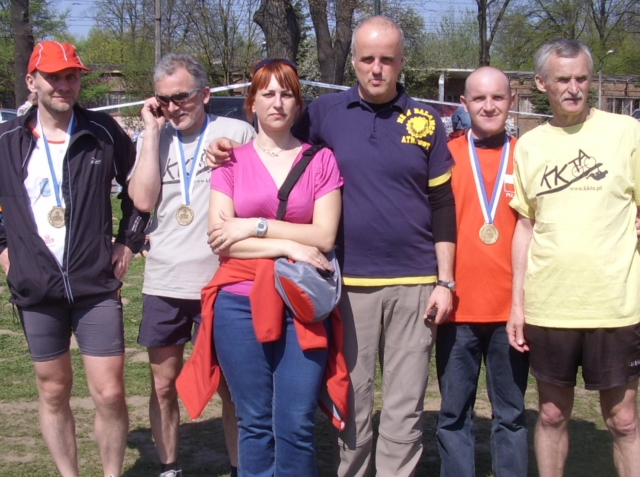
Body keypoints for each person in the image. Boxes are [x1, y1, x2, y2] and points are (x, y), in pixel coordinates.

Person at [207, 15, 456, 477]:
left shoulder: (426, 120)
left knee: (404, 407)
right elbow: (274, 130)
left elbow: (442, 203)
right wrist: (226, 143)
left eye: (387, 59)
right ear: (354, 62)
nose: (377, 68)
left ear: (401, 62)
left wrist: (446, 280)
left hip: (416, 281)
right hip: (348, 284)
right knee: (351, 401)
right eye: (367, 58)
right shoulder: (324, 113)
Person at [0, 41, 149, 477]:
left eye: (71, 76)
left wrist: (128, 241)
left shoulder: (103, 131)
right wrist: (5, 250)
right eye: (53, 77)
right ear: (32, 82)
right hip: (36, 286)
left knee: (110, 393)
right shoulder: (7, 140)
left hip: (94, 284)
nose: (64, 85)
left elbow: (142, 189)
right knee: (53, 391)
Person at [507, 38, 640, 477]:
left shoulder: (627, 132)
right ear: (541, 83)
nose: (574, 88)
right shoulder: (529, 145)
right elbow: (524, 227)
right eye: (563, 79)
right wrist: (517, 305)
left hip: (615, 305)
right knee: (551, 414)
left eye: (582, 78)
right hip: (551, 305)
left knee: (624, 421)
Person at [206, 58, 343, 476]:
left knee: (296, 422)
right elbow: (221, 240)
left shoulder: (320, 160)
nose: (277, 102)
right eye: (267, 93)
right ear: (252, 103)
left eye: (287, 94)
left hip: (301, 303)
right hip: (238, 305)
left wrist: (254, 226)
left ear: (298, 105)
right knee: (254, 422)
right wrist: (288, 245)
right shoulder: (230, 162)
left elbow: (324, 236)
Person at [127, 53, 255, 477]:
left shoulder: (236, 132)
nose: (173, 107)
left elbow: (258, 191)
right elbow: (142, 200)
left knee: (230, 386)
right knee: (164, 384)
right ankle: (169, 468)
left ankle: (239, 467)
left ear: (204, 94)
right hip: (165, 280)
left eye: (181, 97)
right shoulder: (153, 138)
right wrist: (150, 133)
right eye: (164, 100)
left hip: (222, 281)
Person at [436, 66, 529, 477]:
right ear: (464, 103)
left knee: (511, 414)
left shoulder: (527, 155)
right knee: (454, 414)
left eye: (498, 97)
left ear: (511, 101)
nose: (489, 106)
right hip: (457, 309)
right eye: (479, 98)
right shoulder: (445, 155)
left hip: (512, 312)